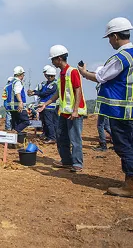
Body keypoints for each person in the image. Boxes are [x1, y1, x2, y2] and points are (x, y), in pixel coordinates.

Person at [78, 17, 133, 197]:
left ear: (116, 36)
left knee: (124, 146)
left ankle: (130, 184)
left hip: (120, 112)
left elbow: (103, 76)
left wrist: (84, 73)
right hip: (129, 111)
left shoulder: (121, 57)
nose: (109, 42)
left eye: (109, 38)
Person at [38, 45, 87, 173]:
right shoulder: (62, 74)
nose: (52, 62)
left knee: (75, 138)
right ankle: (66, 161)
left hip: (73, 113)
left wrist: (75, 110)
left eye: (53, 59)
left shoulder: (72, 72)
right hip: (64, 112)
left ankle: (77, 163)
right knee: (61, 137)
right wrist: (45, 104)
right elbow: (58, 94)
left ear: (59, 58)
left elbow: (78, 90)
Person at [28, 66, 58, 144]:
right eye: (49, 76)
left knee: (49, 123)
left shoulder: (54, 84)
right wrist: (32, 92)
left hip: (50, 107)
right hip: (43, 106)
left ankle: (52, 137)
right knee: (44, 122)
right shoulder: (45, 84)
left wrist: (34, 93)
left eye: (52, 76)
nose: (50, 77)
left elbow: (45, 93)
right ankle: (47, 135)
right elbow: (40, 91)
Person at [2, 66, 30, 134]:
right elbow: (17, 92)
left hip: (11, 108)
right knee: (25, 121)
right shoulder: (17, 82)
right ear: (21, 74)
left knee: (16, 123)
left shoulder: (10, 83)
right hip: (18, 107)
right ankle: (14, 132)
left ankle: (14, 140)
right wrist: (20, 102)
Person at [92, 66, 112, 152]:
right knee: (106, 126)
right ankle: (116, 140)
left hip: (103, 107)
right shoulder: (107, 83)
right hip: (106, 107)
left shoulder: (103, 85)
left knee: (100, 125)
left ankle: (103, 144)